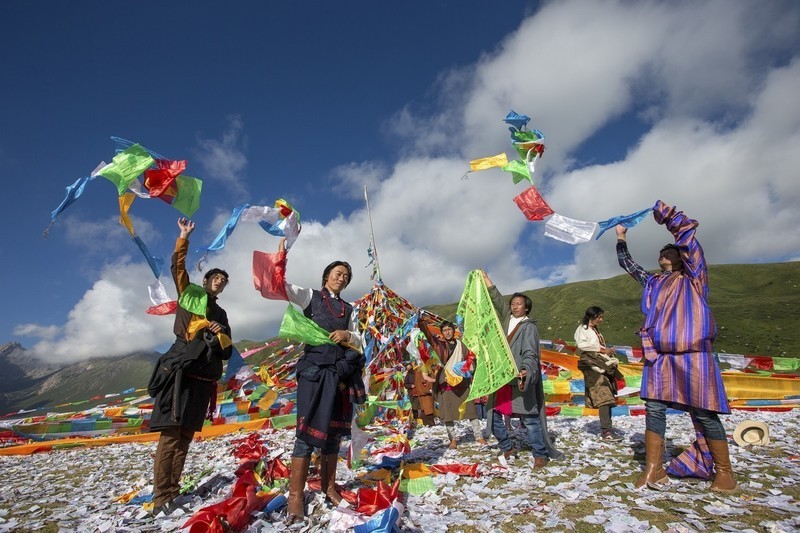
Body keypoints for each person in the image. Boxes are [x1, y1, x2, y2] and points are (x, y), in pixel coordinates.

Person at [616, 200, 736, 492]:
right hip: (658, 357)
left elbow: (687, 237)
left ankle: (725, 474)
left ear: (682, 256)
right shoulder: (653, 282)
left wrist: (666, 215)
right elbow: (628, 265)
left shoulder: (694, 278)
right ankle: (654, 469)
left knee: (704, 412)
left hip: (694, 355)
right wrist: (621, 238)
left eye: (669, 250)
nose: (663, 253)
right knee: (654, 408)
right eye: (661, 251)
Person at [275, 238, 365, 524]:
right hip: (313, 373)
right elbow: (281, 287)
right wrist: (281, 257)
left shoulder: (349, 309)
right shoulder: (310, 297)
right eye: (338, 273)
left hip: (339, 375)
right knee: (306, 433)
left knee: (334, 434)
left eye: (347, 276)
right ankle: (295, 498)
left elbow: (360, 339)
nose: (342, 278)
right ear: (327, 276)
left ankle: (329, 488)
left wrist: (347, 335)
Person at [148, 218, 232, 515]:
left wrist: (218, 333)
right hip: (180, 372)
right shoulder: (189, 294)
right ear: (205, 280)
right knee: (171, 436)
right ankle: (161, 498)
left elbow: (227, 351)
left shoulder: (221, 313)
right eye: (215, 277)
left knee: (184, 438)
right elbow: (178, 268)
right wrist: (183, 236)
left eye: (223, 280)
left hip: (203, 379)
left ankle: (173, 492)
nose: (219, 281)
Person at [482, 272, 563, 468]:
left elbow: (530, 352)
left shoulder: (529, 327)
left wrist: (527, 369)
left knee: (530, 419)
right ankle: (507, 446)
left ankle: (540, 454)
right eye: (513, 303)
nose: (514, 306)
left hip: (520, 377)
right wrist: (486, 279)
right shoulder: (506, 319)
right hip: (502, 377)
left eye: (519, 303)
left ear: (526, 307)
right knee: (493, 416)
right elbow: (497, 299)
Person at [421, 321, 486, 449]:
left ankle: (479, 436)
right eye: (444, 330)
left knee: (471, 411)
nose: (447, 332)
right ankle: (452, 440)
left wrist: (466, 368)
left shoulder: (461, 345)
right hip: (446, 383)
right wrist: (421, 322)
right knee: (448, 414)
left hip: (462, 383)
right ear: (442, 333)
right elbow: (428, 336)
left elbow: (470, 358)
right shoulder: (439, 345)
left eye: (449, 329)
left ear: (453, 330)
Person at [574, 306, 622, 441]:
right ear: (592, 316)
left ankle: (607, 429)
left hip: (600, 362)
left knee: (608, 395)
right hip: (591, 365)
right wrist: (602, 350)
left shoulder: (595, 330)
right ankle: (606, 432)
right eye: (599, 317)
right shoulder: (582, 329)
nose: (601, 320)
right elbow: (582, 346)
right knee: (603, 395)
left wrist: (607, 352)